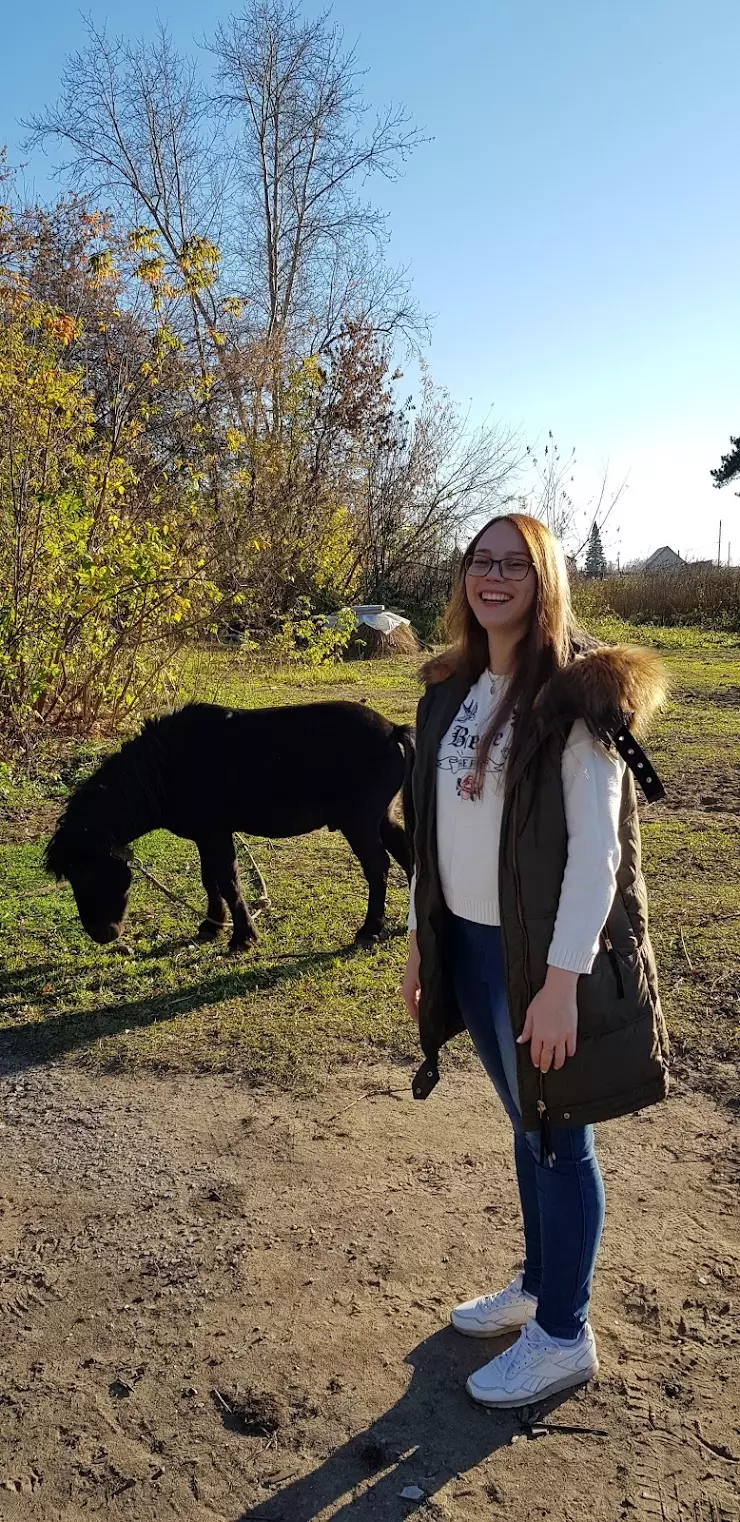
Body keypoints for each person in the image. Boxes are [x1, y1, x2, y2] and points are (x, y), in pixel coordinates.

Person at [401, 511, 669, 1409]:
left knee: (560, 1137)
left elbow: (599, 855)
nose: (496, 576)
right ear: (465, 578)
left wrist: (561, 985)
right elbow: (430, 833)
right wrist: (418, 943)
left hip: (544, 963)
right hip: (470, 950)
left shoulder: (578, 698)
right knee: (529, 1122)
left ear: (545, 578)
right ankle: (537, 1282)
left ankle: (564, 1332)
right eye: (483, 561)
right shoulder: (451, 686)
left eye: (517, 563)